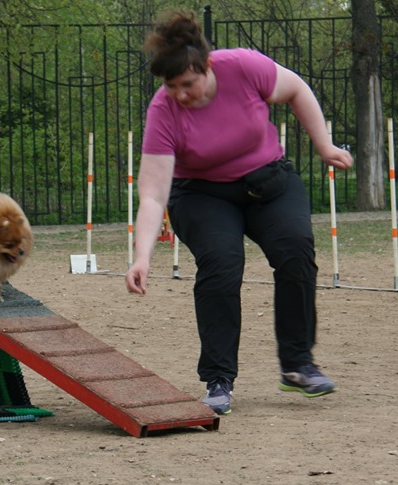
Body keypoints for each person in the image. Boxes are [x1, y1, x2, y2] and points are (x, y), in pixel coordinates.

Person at [124, 10, 353, 416]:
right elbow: (154, 195)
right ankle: (218, 379)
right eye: (171, 86)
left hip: (268, 182)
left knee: (296, 250)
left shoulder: (243, 67)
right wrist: (142, 256)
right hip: (201, 195)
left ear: (206, 67)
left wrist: (325, 146)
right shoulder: (163, 111)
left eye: (187, 84)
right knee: (222, 263)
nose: (180, 94)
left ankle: (298, 364)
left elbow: (297, 89)